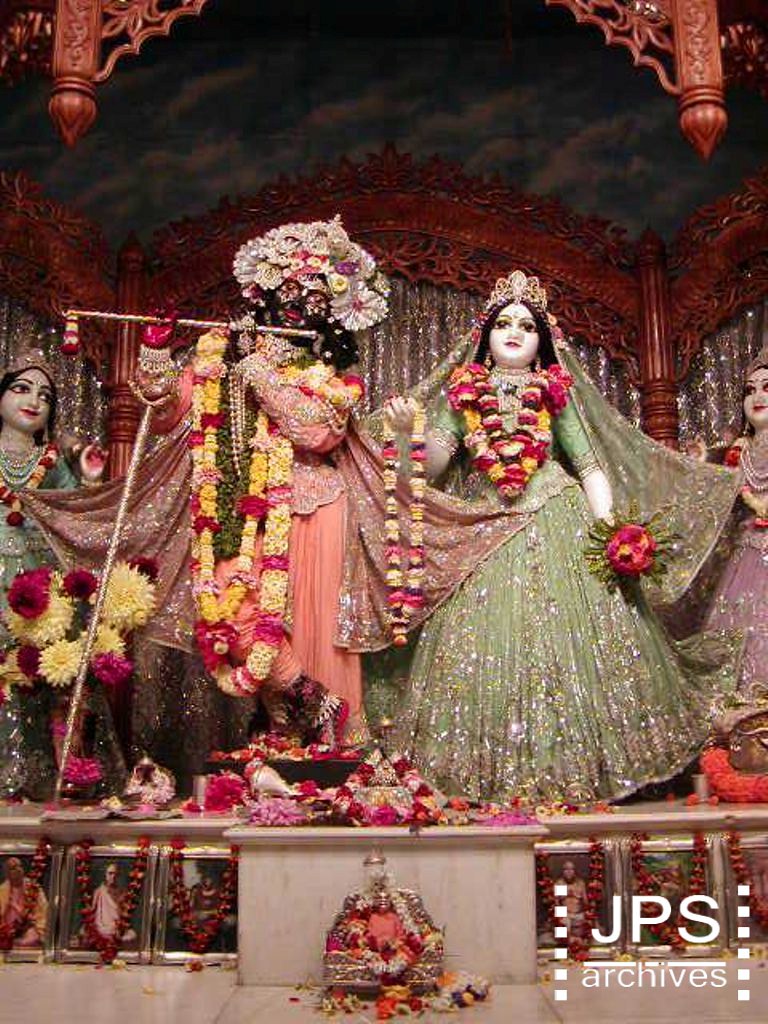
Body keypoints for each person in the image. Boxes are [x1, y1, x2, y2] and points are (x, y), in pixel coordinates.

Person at [361, 270, 742, 804]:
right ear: (484, 336)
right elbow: (430, 469)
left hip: (560, 518)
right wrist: (406, 436)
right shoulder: (461, 392)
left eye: (527, 325)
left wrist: (611, 532)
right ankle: (497, 775)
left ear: (542, 342)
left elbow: (589, 467)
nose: (515, 332)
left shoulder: (553, 392)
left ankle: (584, 767)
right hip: (487, 529)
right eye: (504, 323)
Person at [0, 349, 121, 799]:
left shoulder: (52, 460)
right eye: (21, 389)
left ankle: (49, 772)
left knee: (42, 672)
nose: (33, 401)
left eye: (45, 396)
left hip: (38, 579)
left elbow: (77, 517)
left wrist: (88, 478)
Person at [704, 347, 768, 697]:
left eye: (767, 388)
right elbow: (721, 499)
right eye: (750, 390)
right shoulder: (739, 450)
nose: (757, 397)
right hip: (746, 552)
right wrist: (702, 464)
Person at [0, 856, 48, 947]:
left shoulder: (34, 888)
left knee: (30, 938)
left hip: (29, 929)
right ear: (7, 873)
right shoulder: (2, 890)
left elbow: (44, 914)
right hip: (6, 931)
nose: (18, 869)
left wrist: (34, 924)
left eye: (20, 866)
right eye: (13, 868)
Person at [91, 862, 136, 944]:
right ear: (105, 874)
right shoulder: (99, 892)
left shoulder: (122, 892)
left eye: (115, 874)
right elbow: (92, 911)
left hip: (117, 929)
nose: (113, 876)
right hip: (102, 928)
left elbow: (125, 913)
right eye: (110, 873)